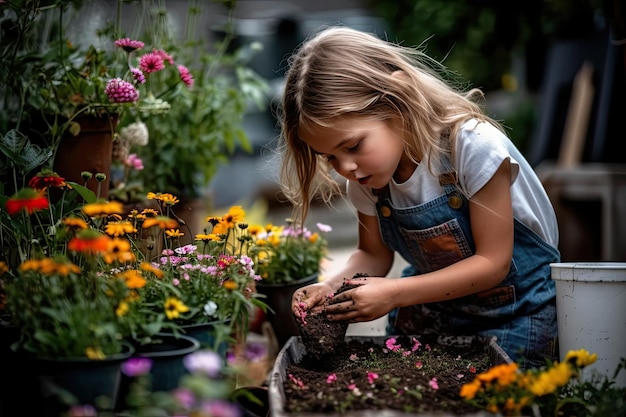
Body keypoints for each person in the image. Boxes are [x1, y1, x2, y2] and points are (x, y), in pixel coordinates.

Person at [278, 26, 560, 369]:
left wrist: (394, 293)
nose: (345, 167)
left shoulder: (469, 148)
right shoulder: (366, 180)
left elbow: (493, 264)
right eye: (330, 157)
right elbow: (372, 255)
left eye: (352, 146)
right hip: (437, 310)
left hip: (516, 311)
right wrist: (329, 286)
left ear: (397, 97)